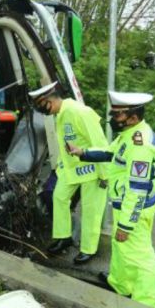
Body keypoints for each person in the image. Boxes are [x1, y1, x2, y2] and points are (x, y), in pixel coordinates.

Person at [67, 91, 155, 308]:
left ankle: (148, 306)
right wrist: (82, 153)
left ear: (133, 116)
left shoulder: (140, 146)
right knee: (121, 248)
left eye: (117, 115)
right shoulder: (129, 134)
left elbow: (138, 189)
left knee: (140, 258)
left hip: (134, 210)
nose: (112, 118)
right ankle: (120, 284)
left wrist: (127, 224)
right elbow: (110, 153)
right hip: (124, 204)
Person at [29, 82, 108, 264]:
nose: (41, 111)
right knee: (59, 198)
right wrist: (59, 167)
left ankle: (89, 249)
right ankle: (64, 237)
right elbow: (65, 145)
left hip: (92, 169)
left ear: (49, 100)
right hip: (71, 169)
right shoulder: (59, 115)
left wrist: (104, 175)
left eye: (41, 105)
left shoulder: (80, 112)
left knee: (90, 210)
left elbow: (100, 143)